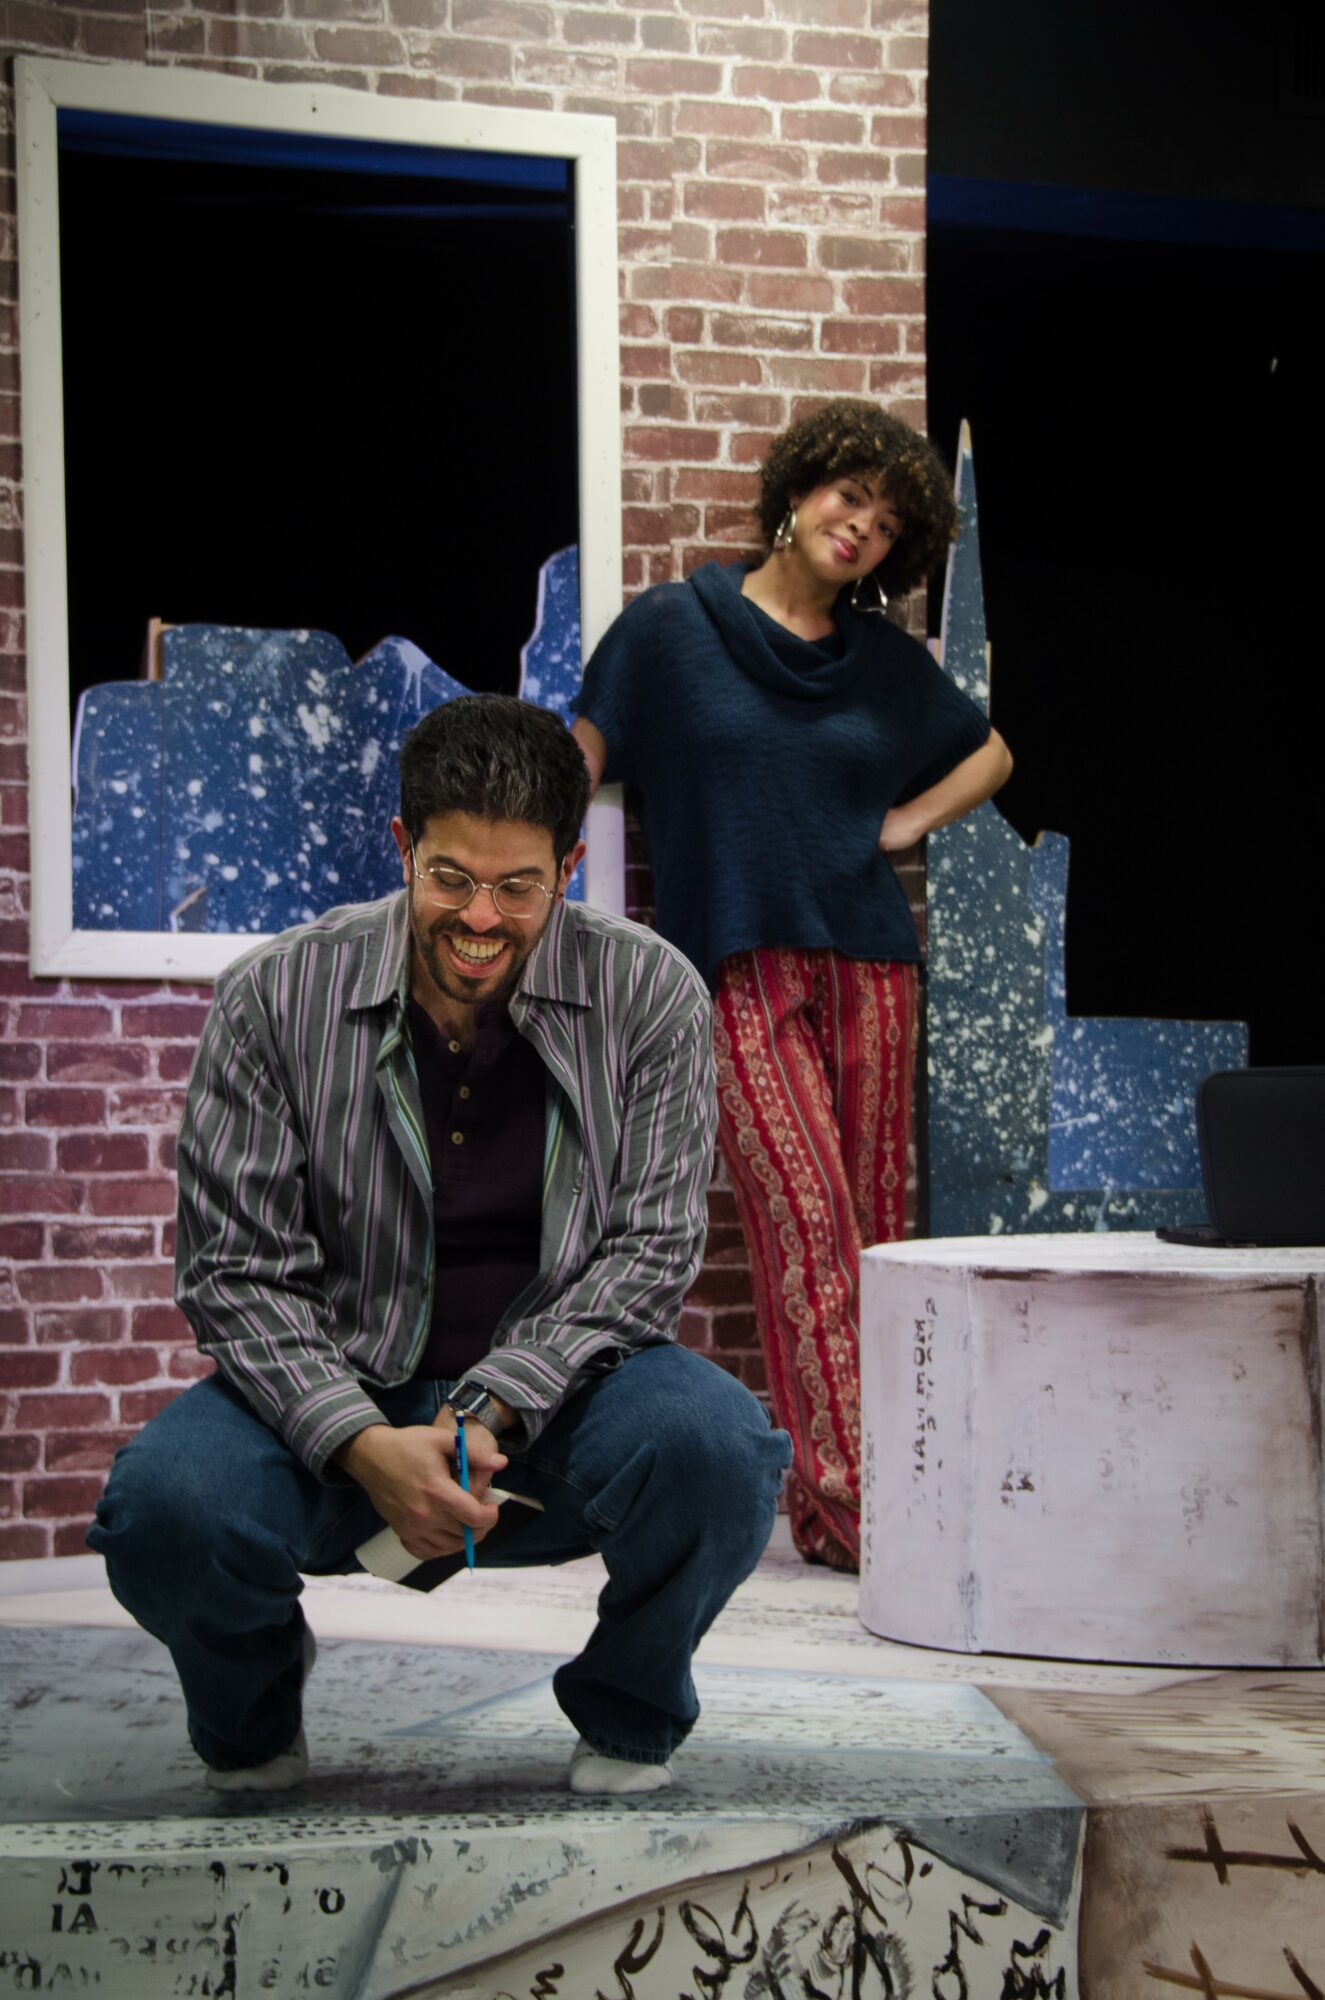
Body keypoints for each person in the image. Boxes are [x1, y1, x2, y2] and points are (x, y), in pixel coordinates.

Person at [89, 695, 790, 1794]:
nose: (481, 917)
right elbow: (233, 1271)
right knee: (162, 1508)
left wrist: (486, 1408)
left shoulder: (649, 992)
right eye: (451, 876)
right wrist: (366, 1442)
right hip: (332, 1397)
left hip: (554, 1413)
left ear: (566, 867)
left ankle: (628, 1703)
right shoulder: (275, 996)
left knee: (721, 1450)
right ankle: (254, 1707)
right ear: (402, 848)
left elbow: (648, 1251)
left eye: (518, 885)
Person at [573, 399, 1012, 1572]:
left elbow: (991, 749)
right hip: (736, 964)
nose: (860, 525)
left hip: (871, 965)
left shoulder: (879, 663)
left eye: (885, 519)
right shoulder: (673, 626)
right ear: (798, 489)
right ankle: (864, 1506)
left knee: (869, 1241)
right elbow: (581, 749)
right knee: (804, 1221)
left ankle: (840, 1512)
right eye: (847, 496)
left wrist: (904, 821)